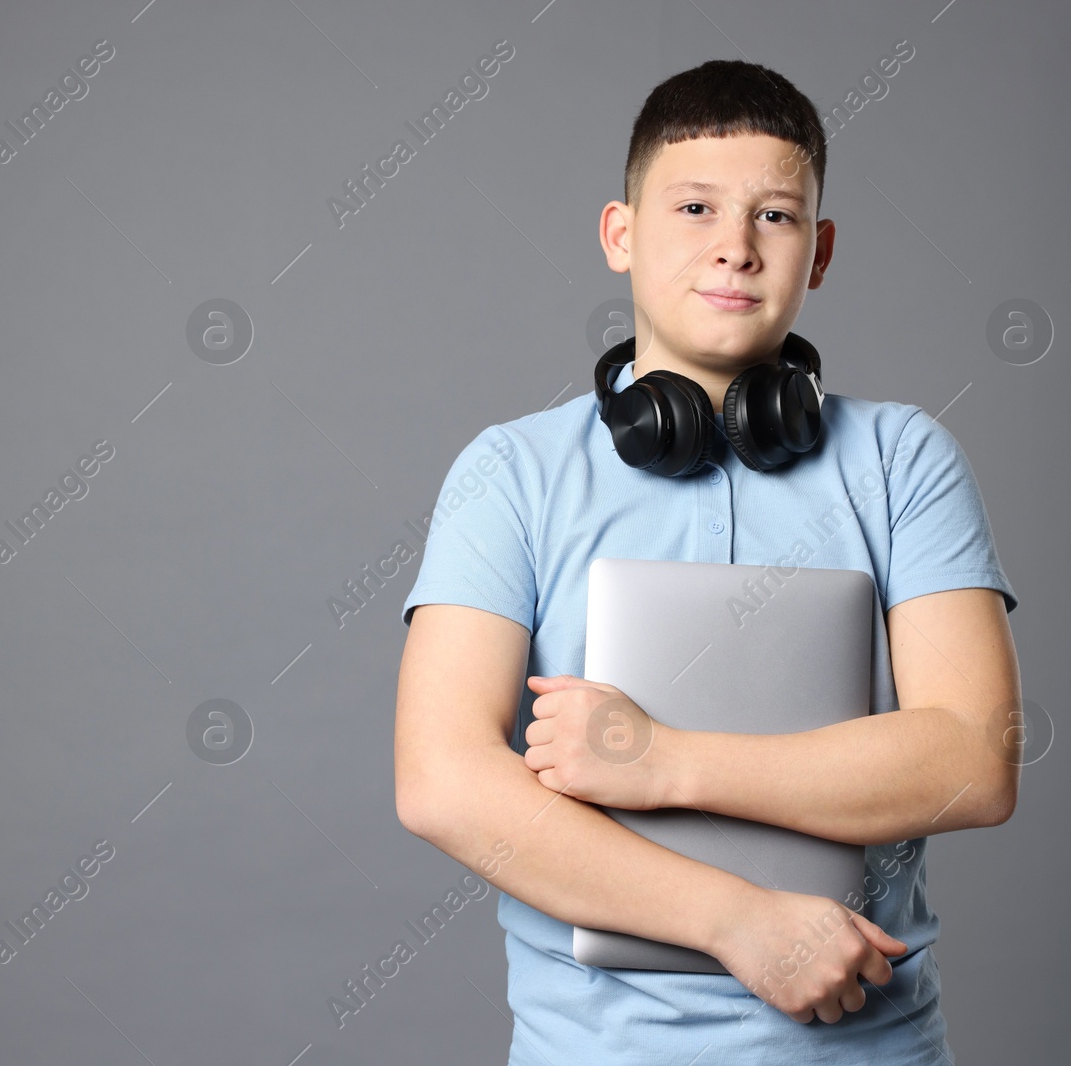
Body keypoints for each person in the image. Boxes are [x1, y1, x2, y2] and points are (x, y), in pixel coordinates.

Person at [393, 58, 1022, 1064]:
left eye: (773, 217)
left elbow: (975, 757)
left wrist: (662, 757)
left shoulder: (904, 457)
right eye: (693, 206)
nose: (733, 248)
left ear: (816, 253)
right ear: (621, 234)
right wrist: (740, 920)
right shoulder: (509, 471)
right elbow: (442, 778)